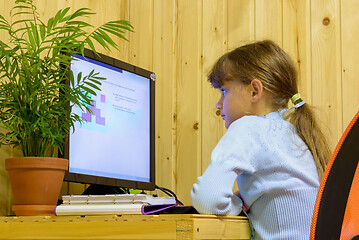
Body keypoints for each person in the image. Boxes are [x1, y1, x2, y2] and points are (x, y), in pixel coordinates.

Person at [190, 40, 331, 239]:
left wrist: (238, 205)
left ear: (255, 90)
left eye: (224, 91)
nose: (218, 104)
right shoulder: (297, 133)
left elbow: (207, 198)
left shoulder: (248, 127)